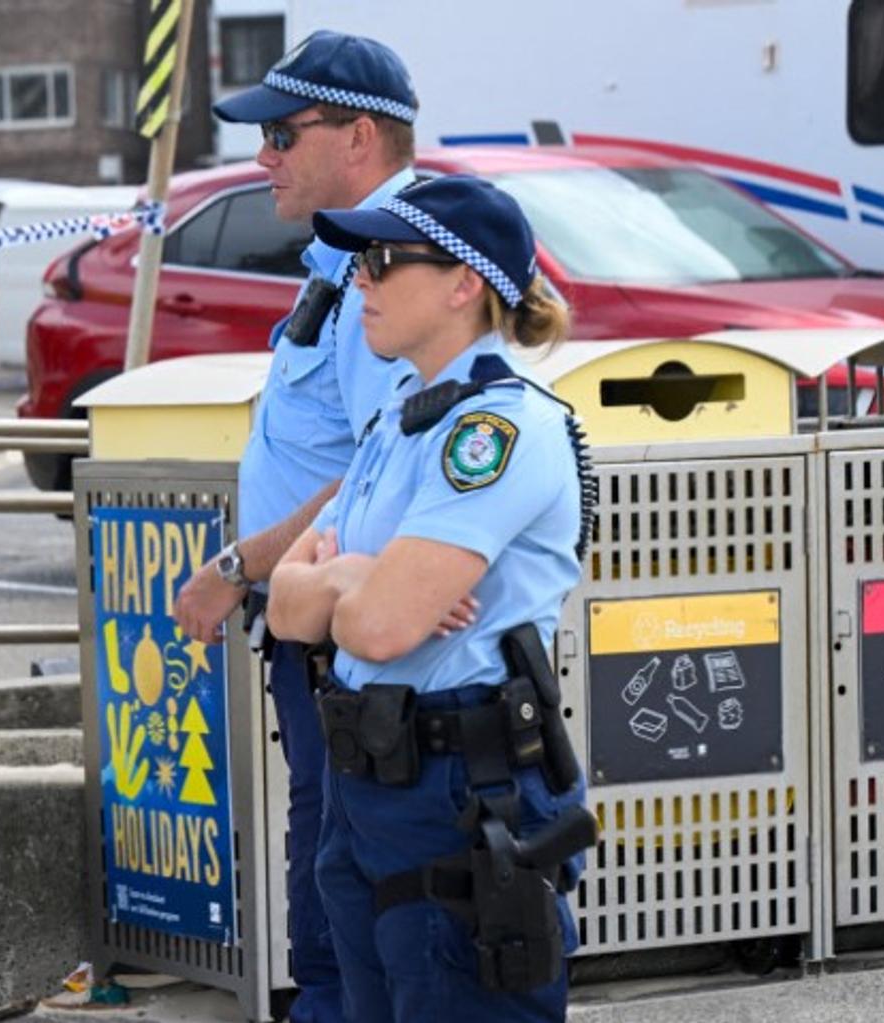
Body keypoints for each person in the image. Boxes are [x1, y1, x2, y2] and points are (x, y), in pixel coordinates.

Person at [267, 175, 595, 1022]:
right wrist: (351, 576)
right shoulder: (397, 422)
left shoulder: (498, 431)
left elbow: (379, 628)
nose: (360, 281)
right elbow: (285, 609)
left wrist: (350, 585)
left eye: (381, 260)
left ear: (464, 284)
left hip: (459, 788)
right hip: (371, 785)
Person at [172, 30, 427, 1023]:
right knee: (330, 851)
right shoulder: (345, 253)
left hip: (341, 629)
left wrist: (234, 567)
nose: (261, 157)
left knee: (339, 863)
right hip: (318, 622)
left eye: (282, 133)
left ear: (355, 136)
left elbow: (379, 461)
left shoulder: (388, 261)